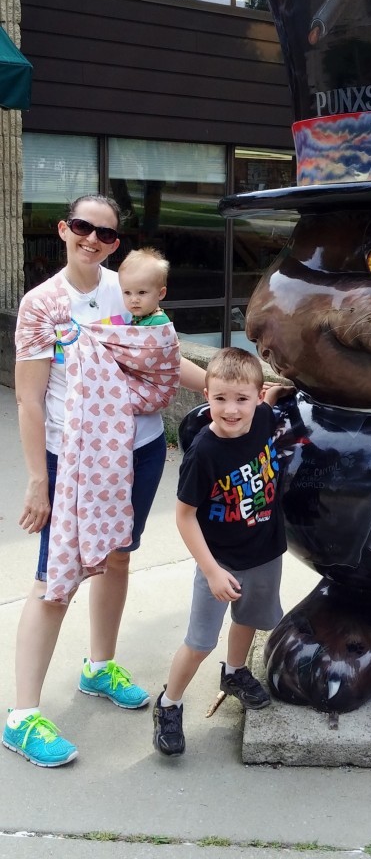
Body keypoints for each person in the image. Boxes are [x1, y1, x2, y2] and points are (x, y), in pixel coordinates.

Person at [4, 194, 206, 768]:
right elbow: (29, 398)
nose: (93, 240)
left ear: (117, 242)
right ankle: (21, 716)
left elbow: (162, 359)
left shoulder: (130, 288)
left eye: (107, 234)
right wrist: (38, 482)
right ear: (64, 230)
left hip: (138, 452)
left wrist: (221, 387)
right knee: (55, 577)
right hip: (74, 459)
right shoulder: (43, 305)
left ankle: (98, 665)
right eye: (83, 228)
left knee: (117, 556)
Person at [153, 347, 290, 758]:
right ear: (206, 395)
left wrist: (277, 393)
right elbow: (184, 516)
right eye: (220, 399)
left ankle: (234, 672)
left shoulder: (262, 416)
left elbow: (268, 400)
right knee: (199, 641)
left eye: (241, 399)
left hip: (264, 551)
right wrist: (210, 570)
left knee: (249, 618)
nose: (231, 410)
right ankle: (170, 703)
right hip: (221, 560)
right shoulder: (204, 454)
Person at [118, 247, 170, 325]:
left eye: (141, 292)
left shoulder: (158, 323)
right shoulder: (139, 316)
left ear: (160, 294)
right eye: (127, 292)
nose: (134, 300)